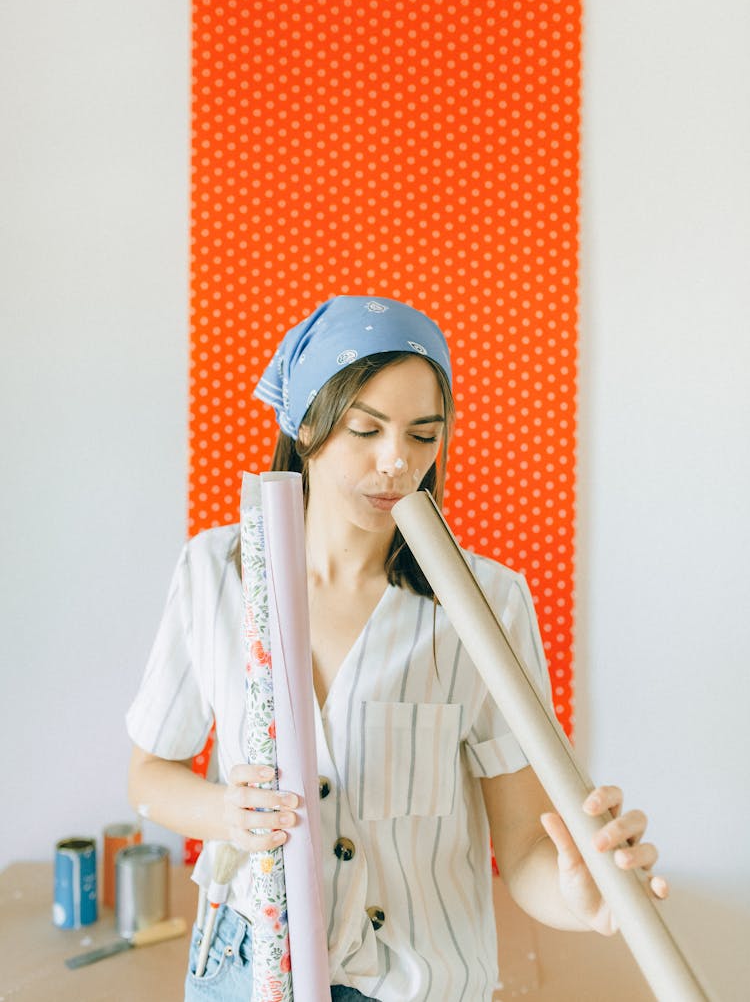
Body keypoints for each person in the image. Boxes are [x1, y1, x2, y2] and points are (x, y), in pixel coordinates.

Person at [127, 295, 667, 1002]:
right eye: (366, 428)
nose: (396, 461)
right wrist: (225, 811)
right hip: (244, 970)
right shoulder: (214, 571)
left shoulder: (486, 604)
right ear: (308, 423)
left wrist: (586, 901)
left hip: (416, 982)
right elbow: (150, 774)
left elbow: (528, 849)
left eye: (423, 434)